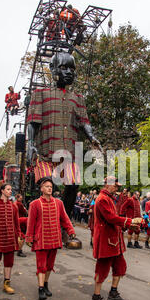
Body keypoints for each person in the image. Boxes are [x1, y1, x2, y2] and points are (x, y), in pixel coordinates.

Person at [27, 50, 101, 219]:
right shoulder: (40, 94)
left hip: (68, 155)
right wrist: (30, 143)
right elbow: (33, 122)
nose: (69, 72)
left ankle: (64, 223)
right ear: (53, 70)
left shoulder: (78, 98)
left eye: (72, 69)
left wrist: (92, 137)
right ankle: (45, 223)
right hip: (46, 155)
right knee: (47, 184)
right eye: (63, 67)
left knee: (74, 184)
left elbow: (85, 123)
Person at [91, 177, 142, 300]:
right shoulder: (102, 199)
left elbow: (115, 219)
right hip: (106, 240)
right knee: (102, 269)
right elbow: (110, 218)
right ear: (107, 185)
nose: (117, 188)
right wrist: (129, 222)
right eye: (115, 185)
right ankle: (96, 298)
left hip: (114, 240)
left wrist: (127, 224)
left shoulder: (109, 198)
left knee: (120, 267)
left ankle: (113, 294)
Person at [25, 177, 76, 300]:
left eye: (51, 187)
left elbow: (65, 218)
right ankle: (40, 288)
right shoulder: (34, 204)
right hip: (40, 239)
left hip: (54, 238)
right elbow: (31, 222)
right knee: (41, 266)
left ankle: (46, 284)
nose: (49, 188)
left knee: (49, 266)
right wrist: (29, 237)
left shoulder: (59, 203)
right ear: (41, 189)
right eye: (47, 186)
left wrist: (71, 231)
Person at [0, 183, 23, 294]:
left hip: (10, 238)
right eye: (8, 189)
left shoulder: (14, 206)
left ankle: (6, 284)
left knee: (9, 261)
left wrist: (19, 235)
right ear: (2, 191)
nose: (10, 191)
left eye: (11, 189)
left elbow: (17, 223)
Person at [13, 193, 28, 257]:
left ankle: (16, 248)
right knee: (21, 236)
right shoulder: (19, 204)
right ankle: (19, 251)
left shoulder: (15, 203)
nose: (21, 199)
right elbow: (24, 211)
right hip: (20, 219)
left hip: (16, 219)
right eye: (21, 198)